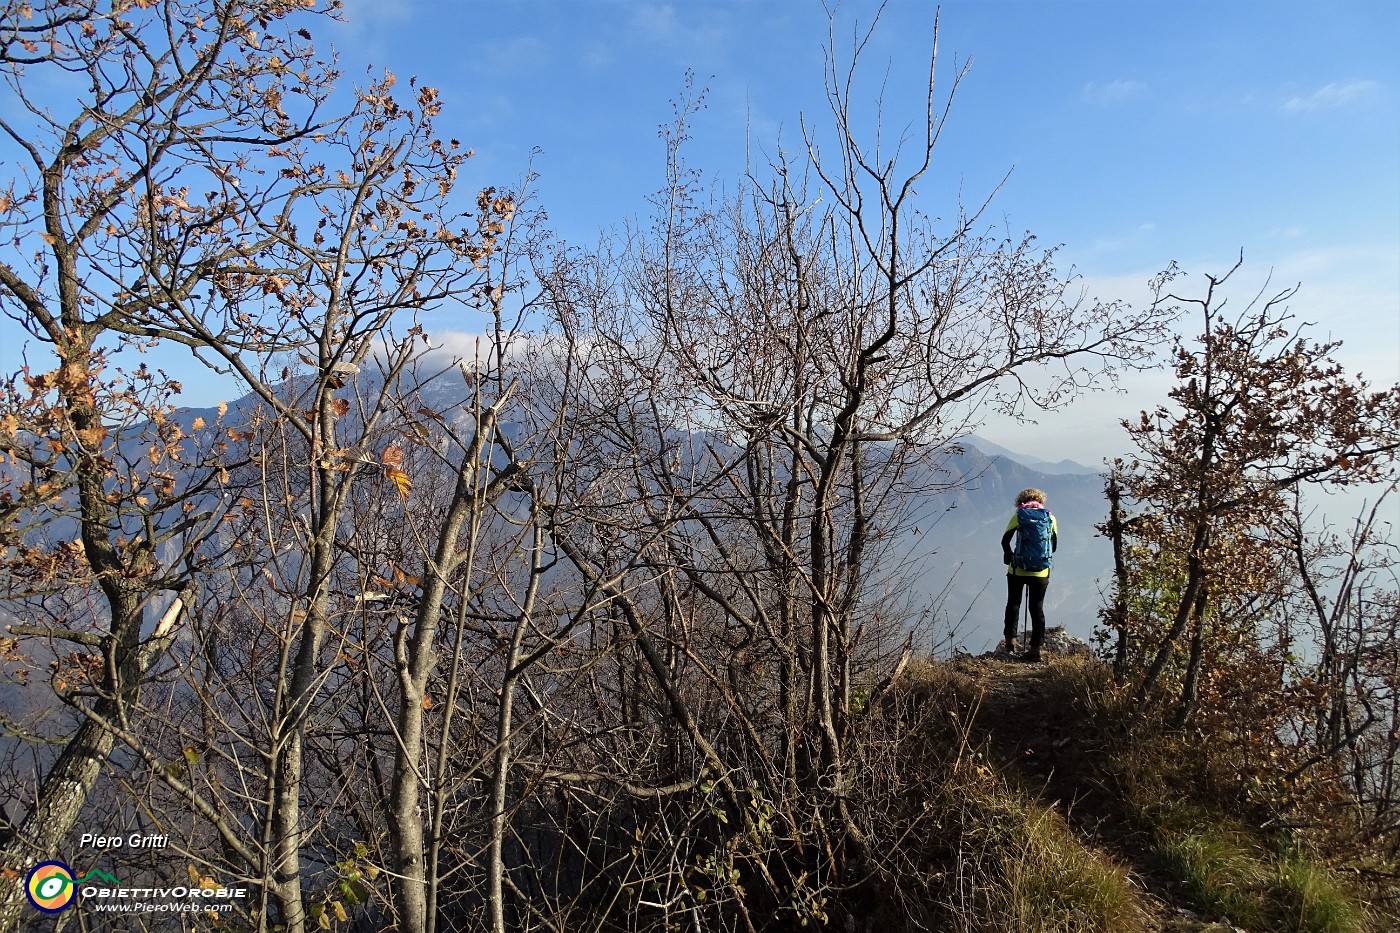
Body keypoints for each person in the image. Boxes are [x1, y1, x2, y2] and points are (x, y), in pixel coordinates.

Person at [1001, 487, 1057, 662]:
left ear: (1021, 501)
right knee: (1037, 608)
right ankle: (1035, 649)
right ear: (1041, 501)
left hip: (1017, 569)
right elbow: (1053, 546)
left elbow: (1005, 540)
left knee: (1014, 604)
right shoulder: (1050, 517)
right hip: (1041, 572)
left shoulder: (1019, 515)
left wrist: (1009, 555)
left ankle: (1010, 643)